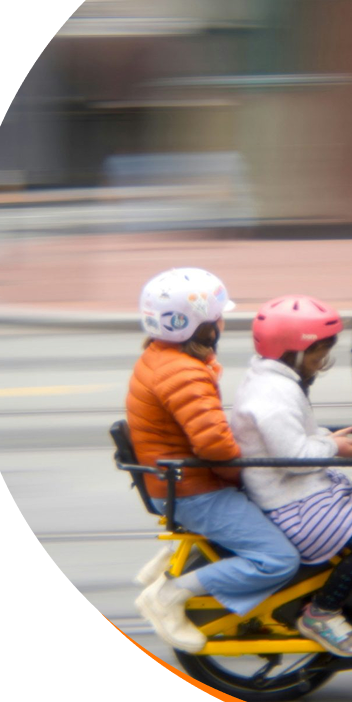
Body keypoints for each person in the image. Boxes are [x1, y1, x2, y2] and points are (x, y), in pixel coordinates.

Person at [127, 268, 300, 653]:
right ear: (199, 325)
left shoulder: (161, 356)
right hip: (195, 490)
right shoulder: (184, 373)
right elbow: (215, 447)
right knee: (277, 559)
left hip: (180, 482)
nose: (222, 322)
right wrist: (248, 475)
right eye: (217, 317)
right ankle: (169, 596)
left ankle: (176, 556)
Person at [230, 295, 352, 658]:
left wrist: (326, 440)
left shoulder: (273, 378)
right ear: (294, 352)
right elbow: (295, 459)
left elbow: (293, 441)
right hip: (288, 501)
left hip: (294, 489)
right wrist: (336, 449)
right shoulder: (274, 396)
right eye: (318, 354)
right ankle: (322, 613)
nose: (322, 363)